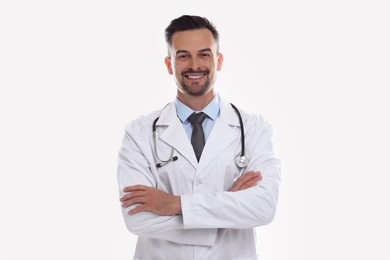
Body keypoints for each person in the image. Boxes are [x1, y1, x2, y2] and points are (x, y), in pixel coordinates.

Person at [117, 15, 281, 260]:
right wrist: (229, 210)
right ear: (169, 65)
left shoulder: (255, 129)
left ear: (219, 60)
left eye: (204, 54)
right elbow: (138, 219)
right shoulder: (138, 133)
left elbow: (263, 207)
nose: (195, 65)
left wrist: (175, 205)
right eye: (183, 55)